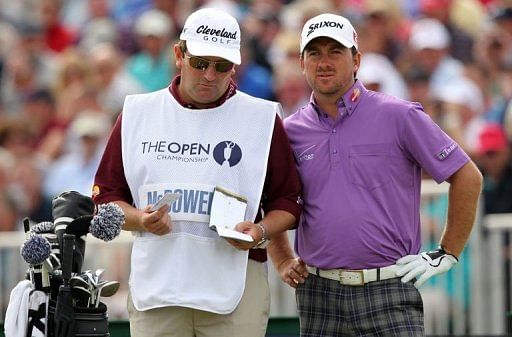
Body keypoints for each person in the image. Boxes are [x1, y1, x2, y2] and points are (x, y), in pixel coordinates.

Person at [269, 13, 483, 336]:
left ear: (356, 60)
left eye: (335, 52)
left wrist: (446, 252)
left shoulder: (399, 115)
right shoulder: (289, 131)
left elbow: (467, 175)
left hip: (389, 289)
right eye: (314, 53)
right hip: (319, 295)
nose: (324, 62)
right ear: (302, 63)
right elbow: (272, 198)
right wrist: (283, 257)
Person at [92, 7, 301, 337]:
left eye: (222, 67)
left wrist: (259, 232)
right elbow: (106, 198)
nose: (209, 75)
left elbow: (288, 201)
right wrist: (139, 219)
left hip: (235, 286)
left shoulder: (261, 118)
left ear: (236, 65)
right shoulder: (136, 113)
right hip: (158, 289)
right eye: (200, 63)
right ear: (179, 54)